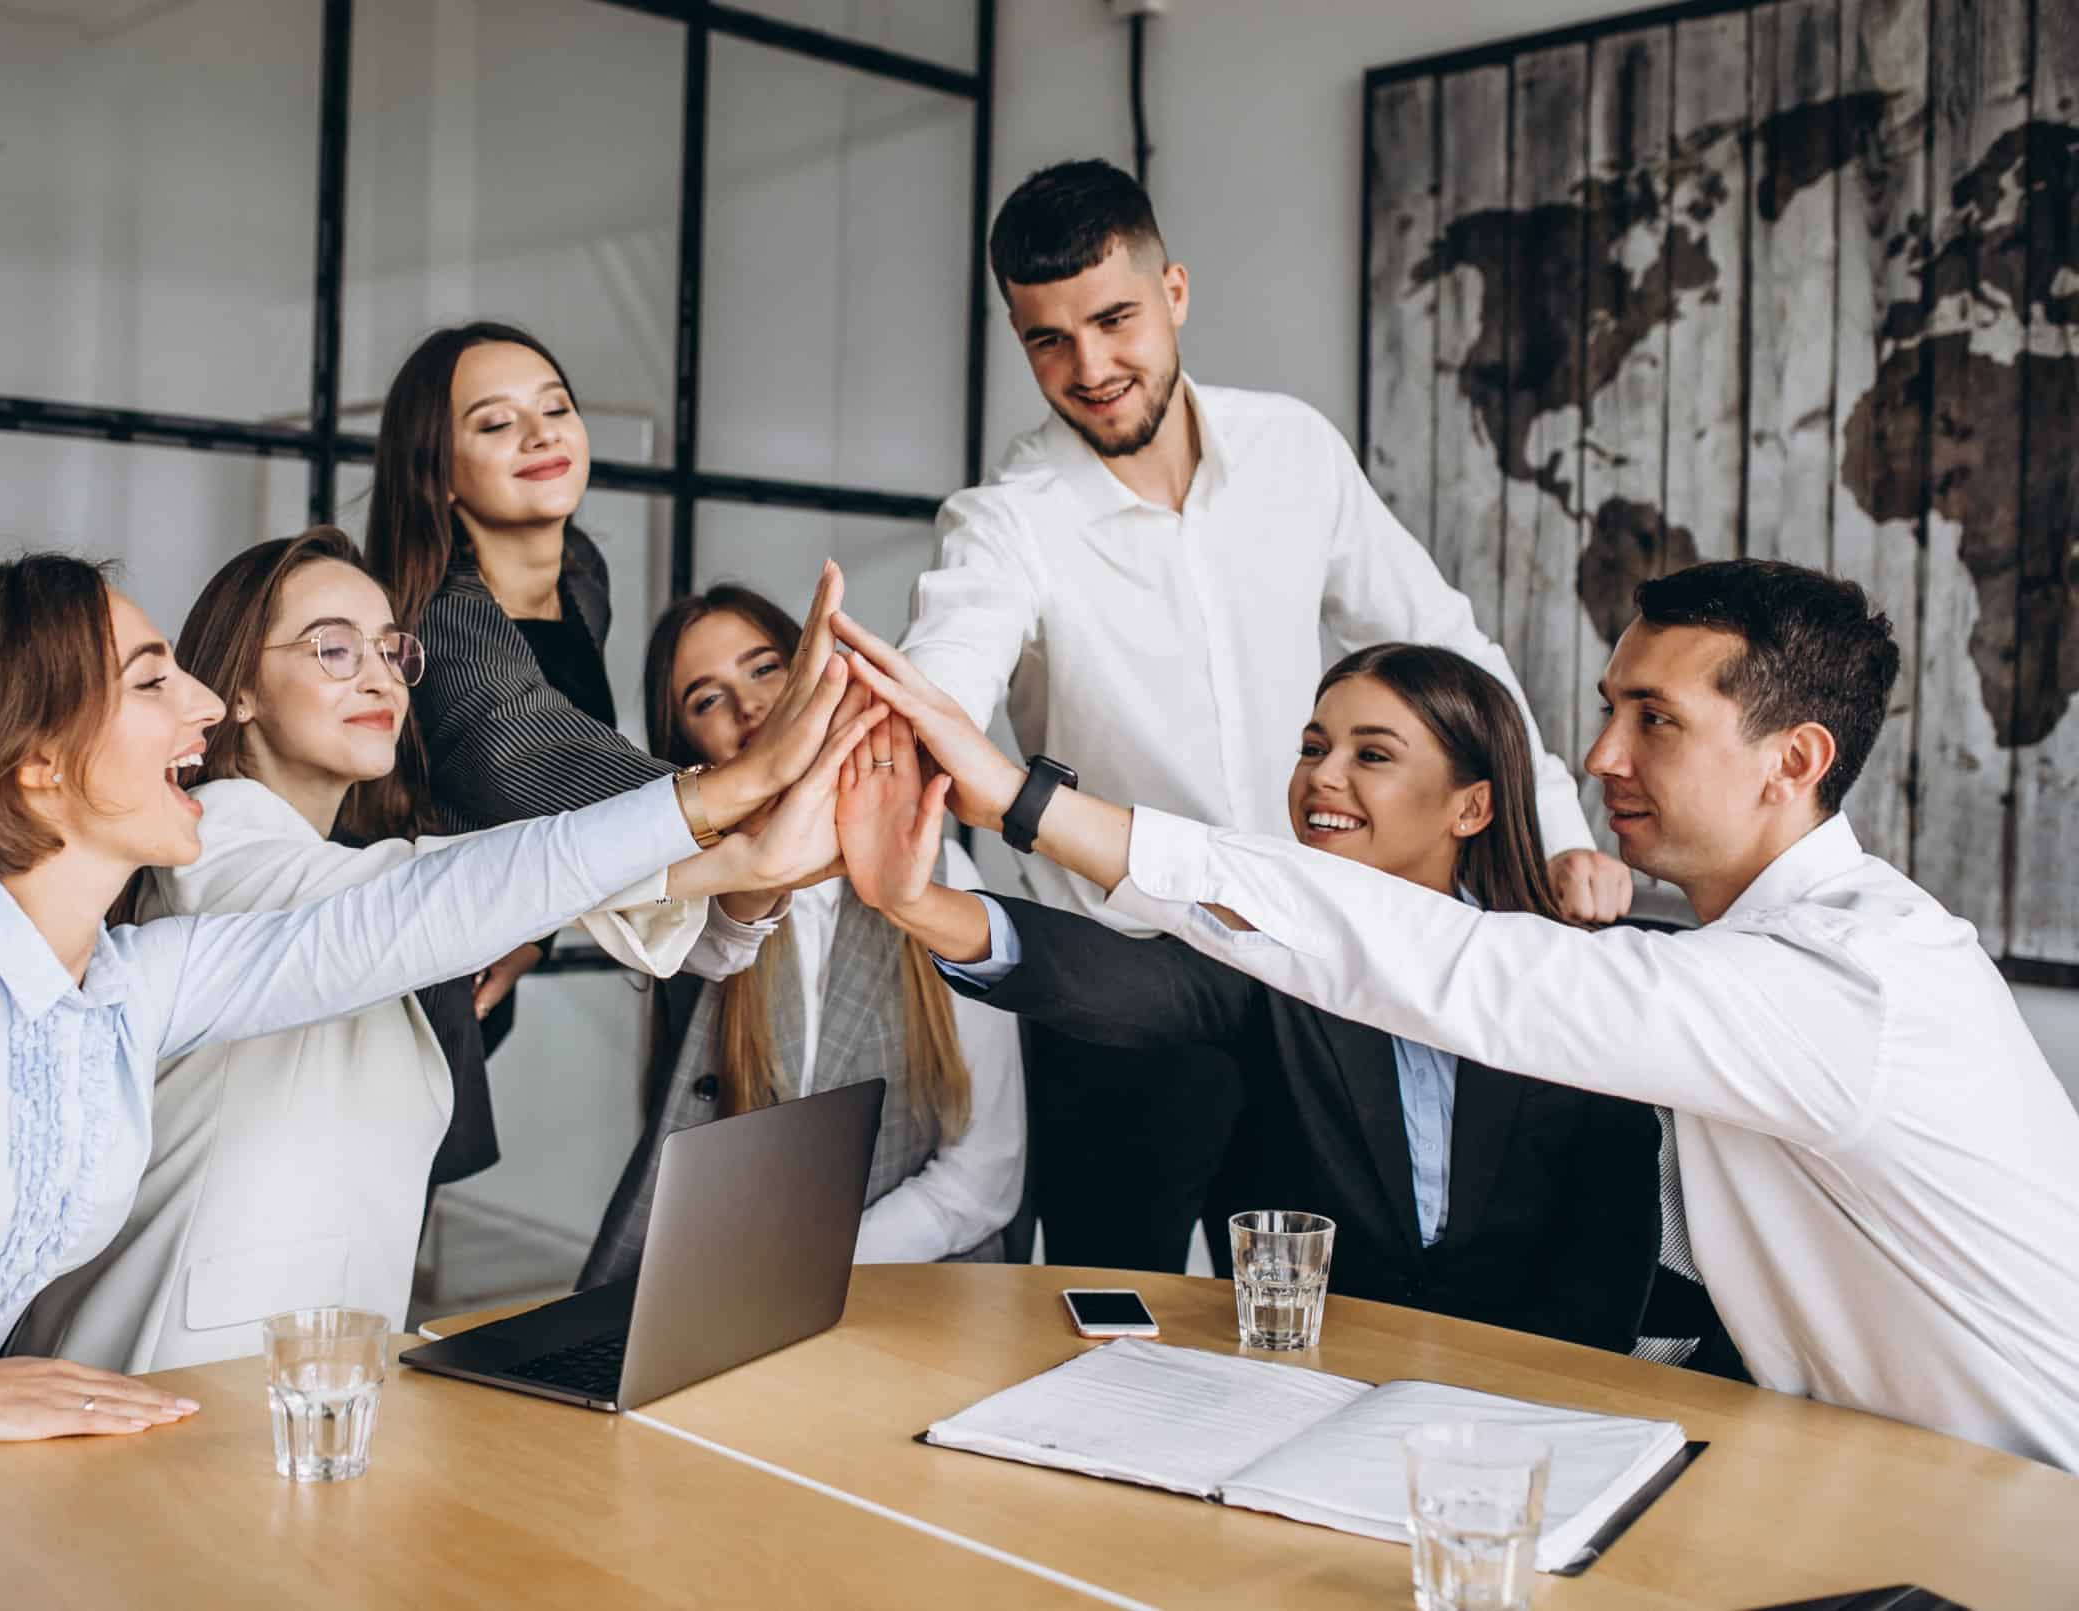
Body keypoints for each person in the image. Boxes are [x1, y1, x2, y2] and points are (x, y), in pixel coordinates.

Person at [0, 549, 872, 1468]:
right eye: (155, 677)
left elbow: (397, 916)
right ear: (37, 760)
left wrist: (713, 815)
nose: (208, 705)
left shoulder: (127, 986)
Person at [832, 561, 2079, 1470]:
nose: (1599, 758)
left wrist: (1022, 800)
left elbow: (1453, 966)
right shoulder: (1756, 957)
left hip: (2018, 1511)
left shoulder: (1835, 980)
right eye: (1609, 708)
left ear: (1794, 760)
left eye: (1657, 721)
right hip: (1883, 1471)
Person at [896, 158, 1631, 1275]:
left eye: (1114, 319)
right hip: (1119, 994)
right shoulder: (1007, 523)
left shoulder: (1295, 450)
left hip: (1305, 980)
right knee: (1109, 1322)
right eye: (1047, 339)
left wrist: (1560, 832)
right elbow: (942, 675)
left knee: (1323, 1318)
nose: (1090, 368)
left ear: (1174, 291)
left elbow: (1450, 646)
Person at [11, 532, 815, 1373]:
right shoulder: (218, 851)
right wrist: (730, 812)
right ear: (238, 689)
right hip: (166, 1382)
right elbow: (435, 897)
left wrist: (755, 869)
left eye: (392, 650)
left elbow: (697, 943)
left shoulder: (356, 866)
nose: (378, 675)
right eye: (333, 647)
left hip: (314, 1396)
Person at [838, 642, 1660, 1351]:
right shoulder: (1272, 954)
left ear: (1471, 805)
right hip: (1304, 1389)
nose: (1322, 778)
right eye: (1313, 747)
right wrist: (917, 902)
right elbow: (1119, 981)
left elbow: (1608, 1262)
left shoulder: (1564, 980)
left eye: (1371, 755)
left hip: (1528, 1414)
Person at [579, 587, 1024, 1286]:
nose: (749, 708)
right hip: (728, 1283)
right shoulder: (696, 908)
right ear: (685, 746)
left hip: (911, 1288)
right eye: (706, 699)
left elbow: (986, 1172)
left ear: (817, 671)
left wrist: (810, 1265)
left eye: (764, 669)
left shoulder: (940, 872)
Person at [362, 321, 685, 1181]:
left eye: (556, 408)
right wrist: (750, 791)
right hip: (389, 974)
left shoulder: (580, 576)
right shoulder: (437, 617)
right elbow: (539, 762)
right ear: (437, 471)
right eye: (496, 423)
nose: (542, 434)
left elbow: (554, 772)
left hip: (481, 953)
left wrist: (535, 930)